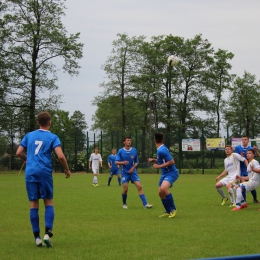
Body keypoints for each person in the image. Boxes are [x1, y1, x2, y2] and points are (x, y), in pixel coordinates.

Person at [16, 111, 71, 248]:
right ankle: (47, 234)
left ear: (38, 122)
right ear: (50, 123)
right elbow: (61, 156)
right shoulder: (53, 137)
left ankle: (37, 238)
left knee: (33, 204)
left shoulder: (29, 135)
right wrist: (67, 169)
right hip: (44, 172)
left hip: (30, 172)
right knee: (48, 202)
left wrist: (27, 159)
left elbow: (18, 152)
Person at [115, 137, 152, 209]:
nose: (129, 142)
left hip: (133, 172)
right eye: (127, 140)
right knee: (125, 189)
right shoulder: (120, 151)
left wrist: (132, 168)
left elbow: (136, 162)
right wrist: (123, 162)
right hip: (125, 172)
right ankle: (124, 203)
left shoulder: (134, 150)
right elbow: (116, 162)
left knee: (139, 186)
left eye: (130, 140)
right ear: (124, 142)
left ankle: (145, 204)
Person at [148, 133, 179, 218]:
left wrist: (158, 166)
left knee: (163, 188)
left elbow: (172, 161)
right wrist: (154, 160)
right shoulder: (160, 149)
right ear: (163, 140)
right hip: (164, 173)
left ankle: (173, 209)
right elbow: (163, 161)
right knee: (160, 193)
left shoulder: (162, 150)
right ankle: (168, 211)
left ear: (154, 140)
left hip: (171, 172)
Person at [234, 135, 260, 203]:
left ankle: (254, 199)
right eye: (242, 139)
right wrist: (241, 156)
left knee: (249, 185)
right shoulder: (238, 148)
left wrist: (256, 151)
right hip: (242, 169)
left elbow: (257, 155)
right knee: (244, 185)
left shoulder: (251, 148)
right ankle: (244, 201)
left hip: (251, 169)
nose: (244, 141)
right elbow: (236, 158)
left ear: (248, 140)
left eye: (245, 139)